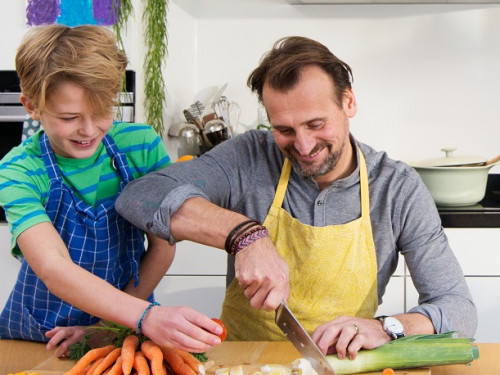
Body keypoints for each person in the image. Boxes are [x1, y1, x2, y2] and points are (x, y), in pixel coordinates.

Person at [115, 36, 477, 360]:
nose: (303, 146)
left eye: (316, 124)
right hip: (243, 363)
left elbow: (459, 309)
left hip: (343, 367)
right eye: (284, 130)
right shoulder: (249, 158)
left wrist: (388, 327)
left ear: (348, 102)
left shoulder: (396, 188)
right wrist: (245, 235)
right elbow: (140, 196)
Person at [0, 24, 223, 357]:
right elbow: (53, 267)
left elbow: (162, 247)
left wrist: (112, 328)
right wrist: (145, 316)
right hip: (41, 336)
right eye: (70, 117)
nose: (89, 130)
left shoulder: (140, 146)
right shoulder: (19, 170)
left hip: (125, 331)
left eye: (103, 111)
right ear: (31, 106)